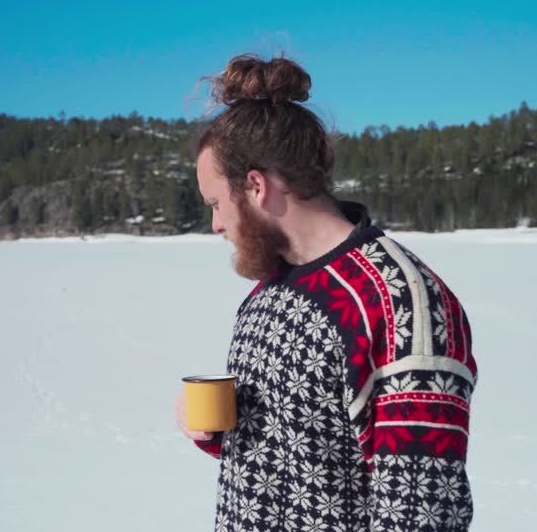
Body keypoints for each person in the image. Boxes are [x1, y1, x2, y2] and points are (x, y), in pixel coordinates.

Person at [174, 53, 478, 531]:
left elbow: (422, 511)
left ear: (255, 186)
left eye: (216, 203)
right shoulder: (269, 291)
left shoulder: (401, 302)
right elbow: (296, 453)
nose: (215, 224)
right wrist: (214, 434)